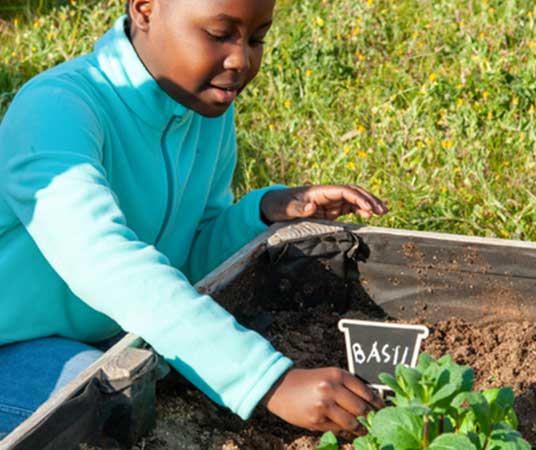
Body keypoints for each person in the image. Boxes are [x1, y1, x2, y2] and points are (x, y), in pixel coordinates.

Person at [0, 0, 387, 439]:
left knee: (142, 381)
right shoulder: (56, 111)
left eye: (256, 38)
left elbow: (186, 258)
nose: (241, 59)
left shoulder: (201, 107)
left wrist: (260, 212)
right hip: (12, 344)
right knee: (101, 403)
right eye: (220, 34)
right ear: (145, 9)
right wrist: (270, 381)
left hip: (108, 337)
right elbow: (105, 264)